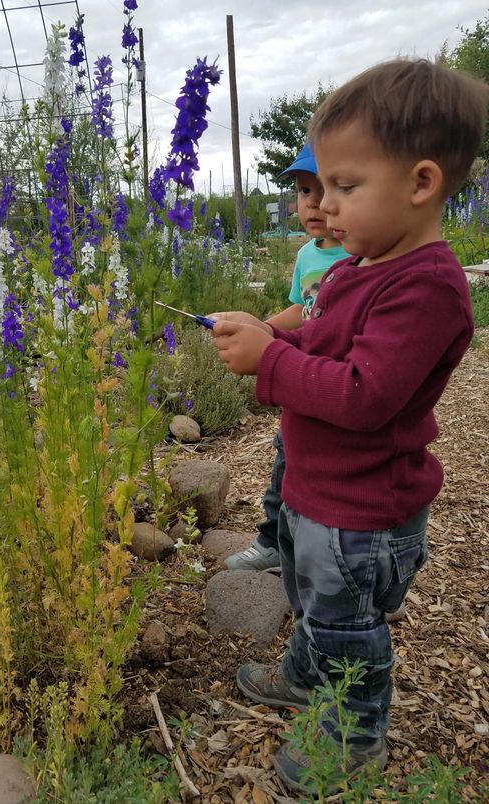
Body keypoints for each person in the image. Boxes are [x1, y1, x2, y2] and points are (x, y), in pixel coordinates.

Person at [210, 58, 487, 794]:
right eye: (322, 186)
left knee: (347, 626)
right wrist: (272, 336)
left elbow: (365, 393)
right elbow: (321, 339)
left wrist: (269, 363)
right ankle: (306, 676)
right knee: (312, 603)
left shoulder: (427, 287)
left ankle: (354, 733)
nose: (324, 206)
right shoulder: (356, 266)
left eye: (345, 186)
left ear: (421, 184)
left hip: (363, 514)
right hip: (319, 494)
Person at [225, 143, 349, 572]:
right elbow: (301, 309)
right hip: (302, 374)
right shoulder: (306, 255)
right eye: (302, 191)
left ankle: (356, 567)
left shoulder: (361, 256)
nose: (313, 204)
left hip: (333, 379)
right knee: (284, 462)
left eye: (324, 189)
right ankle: (274, 540)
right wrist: (263, 328)